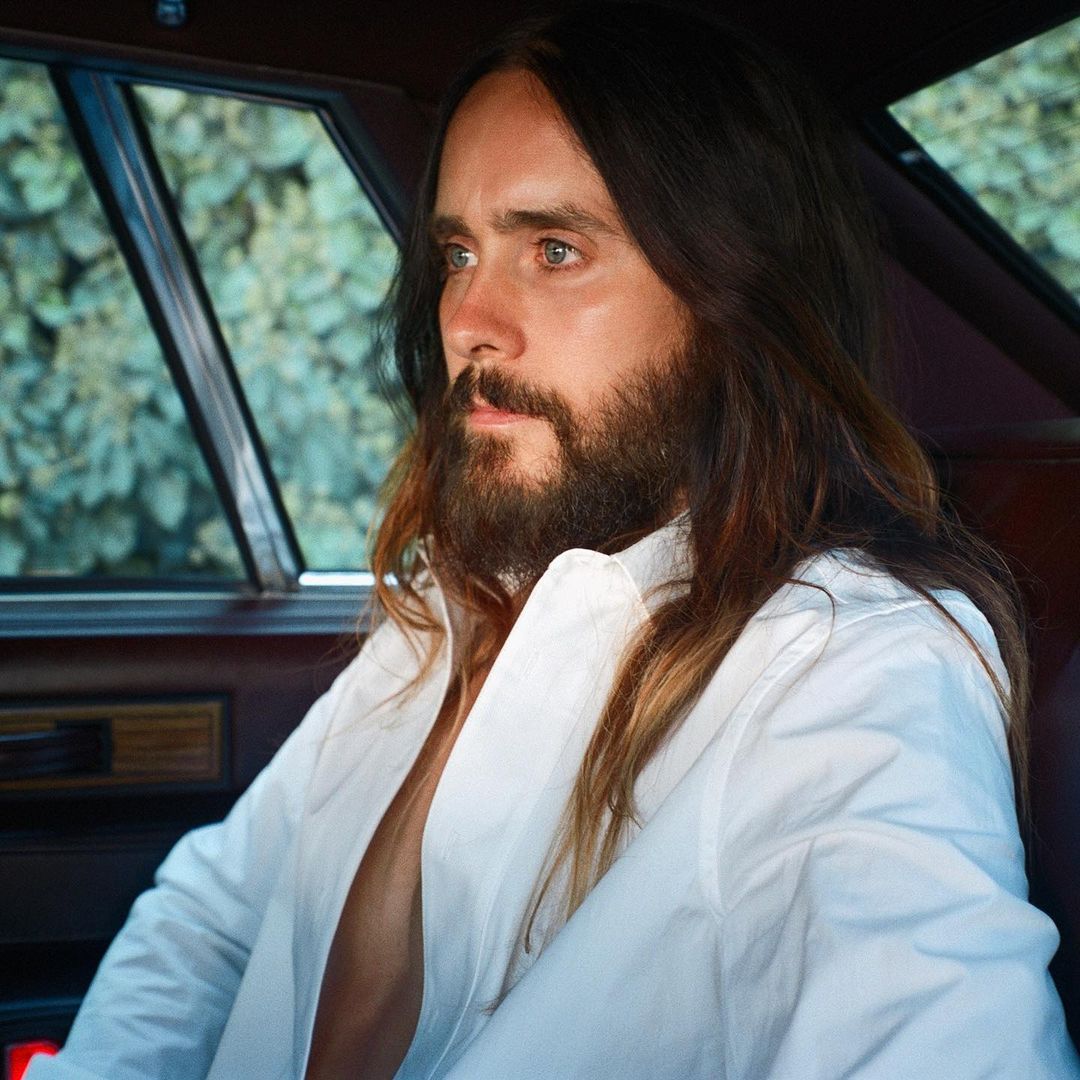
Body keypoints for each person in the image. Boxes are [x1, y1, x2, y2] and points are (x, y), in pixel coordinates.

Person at [29, 3, 1080, 1078]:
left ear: (737, 300)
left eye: (556, 249)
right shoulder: (448, 600)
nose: (466, 320)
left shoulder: (842, 665)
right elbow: (215, 916)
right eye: (458, 252)